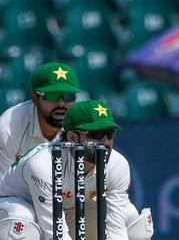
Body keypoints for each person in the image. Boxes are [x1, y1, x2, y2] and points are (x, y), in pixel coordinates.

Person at [0, 100, 154, 240]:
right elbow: (55, 234)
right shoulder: (43, 165)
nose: (106, 142)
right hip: (20, 210)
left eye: (110, 133)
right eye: (97, 134)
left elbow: (116, 229)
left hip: (68, 208)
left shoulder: (118, 164)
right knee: (20, 220)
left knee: (133, 220)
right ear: (73, 138)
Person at [0, 62, 80, 174]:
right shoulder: (9, 127)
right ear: (34, 98)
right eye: (53, 95)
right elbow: (3, 188)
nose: (61, 103)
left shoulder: (82, 126)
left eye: (68, 96)